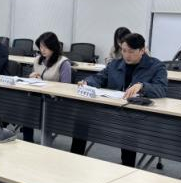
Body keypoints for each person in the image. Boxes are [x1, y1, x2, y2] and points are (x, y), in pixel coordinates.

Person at [70, 33, 168, 167]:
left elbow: (162, 89)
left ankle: (127, 167)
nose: (126, 55)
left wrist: (143, 86)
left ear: (142, 50)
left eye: (131, 52)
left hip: (137, 115)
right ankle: (75, 158)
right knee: (83, 117)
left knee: (129, 128)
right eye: (124, 50)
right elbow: (99, 78)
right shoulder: (115, 64)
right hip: (112, 109)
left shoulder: (156, 66)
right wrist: (87, 82)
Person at [21, 32, 71, 142]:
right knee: (26, 106)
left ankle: (45, 142)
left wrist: (44, 83)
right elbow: (33, 80)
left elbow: (66, 88)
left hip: (54, 101)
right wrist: (31, 77)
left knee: (32, 106)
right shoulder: (37, 60)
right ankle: (28, 141)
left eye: (45, 47)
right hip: (36, 97)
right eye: (40, 47)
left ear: (53, 46)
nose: (42, 50)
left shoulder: (63, 63)